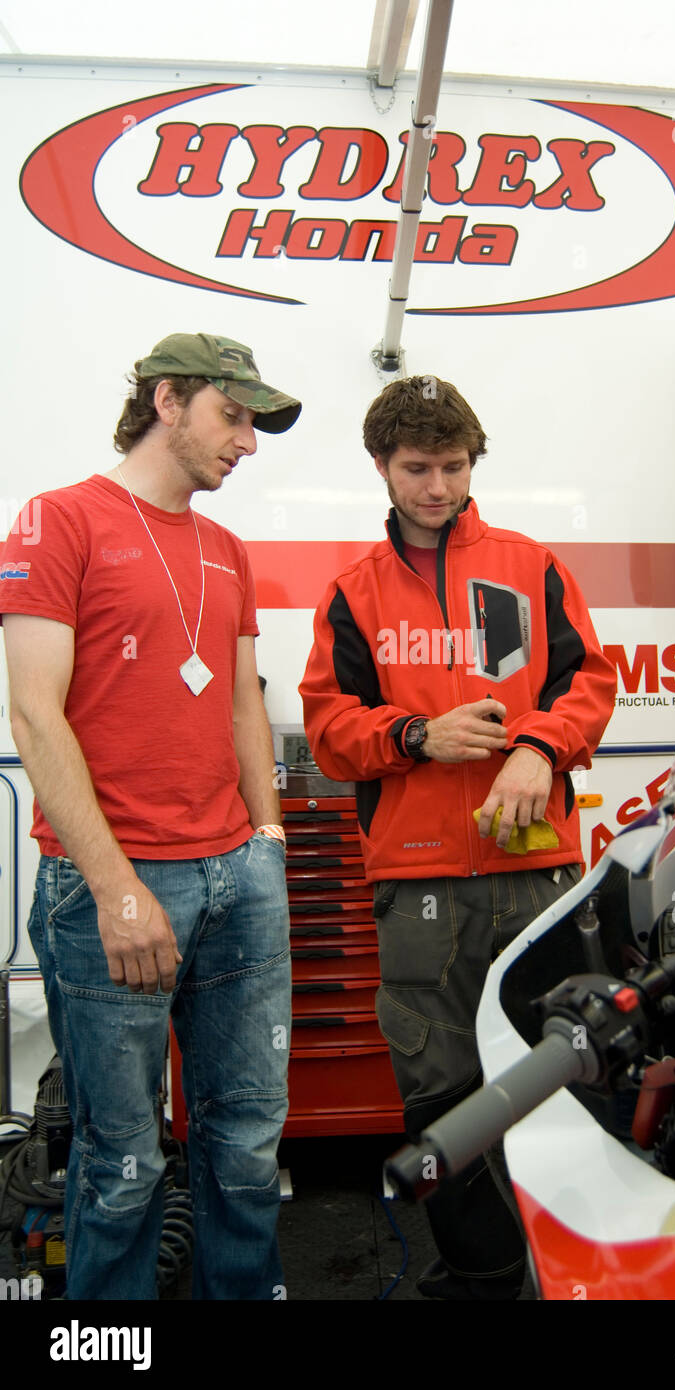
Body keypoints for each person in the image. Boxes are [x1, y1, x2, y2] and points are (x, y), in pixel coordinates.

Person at [300, 375, 616, 1299]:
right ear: (380, 469)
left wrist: (536, 751)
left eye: (453, 465)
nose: (436, 486)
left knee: (564, 1070)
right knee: (440, 1094)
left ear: (473, 463)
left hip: (538, 870)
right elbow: (327, 727)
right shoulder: (352, 593)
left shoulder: (531, 563)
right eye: (416, 468)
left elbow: (587, 686)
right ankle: (477, 1276)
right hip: (417, 882)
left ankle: (578, 1271)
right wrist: (413, 736)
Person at [0, 333, 301, 1300]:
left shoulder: (226, 548)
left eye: (255, 422)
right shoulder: (58, 521)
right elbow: (33, 713)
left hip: (237, 876)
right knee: (123, 1163)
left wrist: (267, 838)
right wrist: (117, 887)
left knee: (249, 1145)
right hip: (114, 889)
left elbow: (244, 700)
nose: (247, 443)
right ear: (168, 399)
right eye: (234, 415)